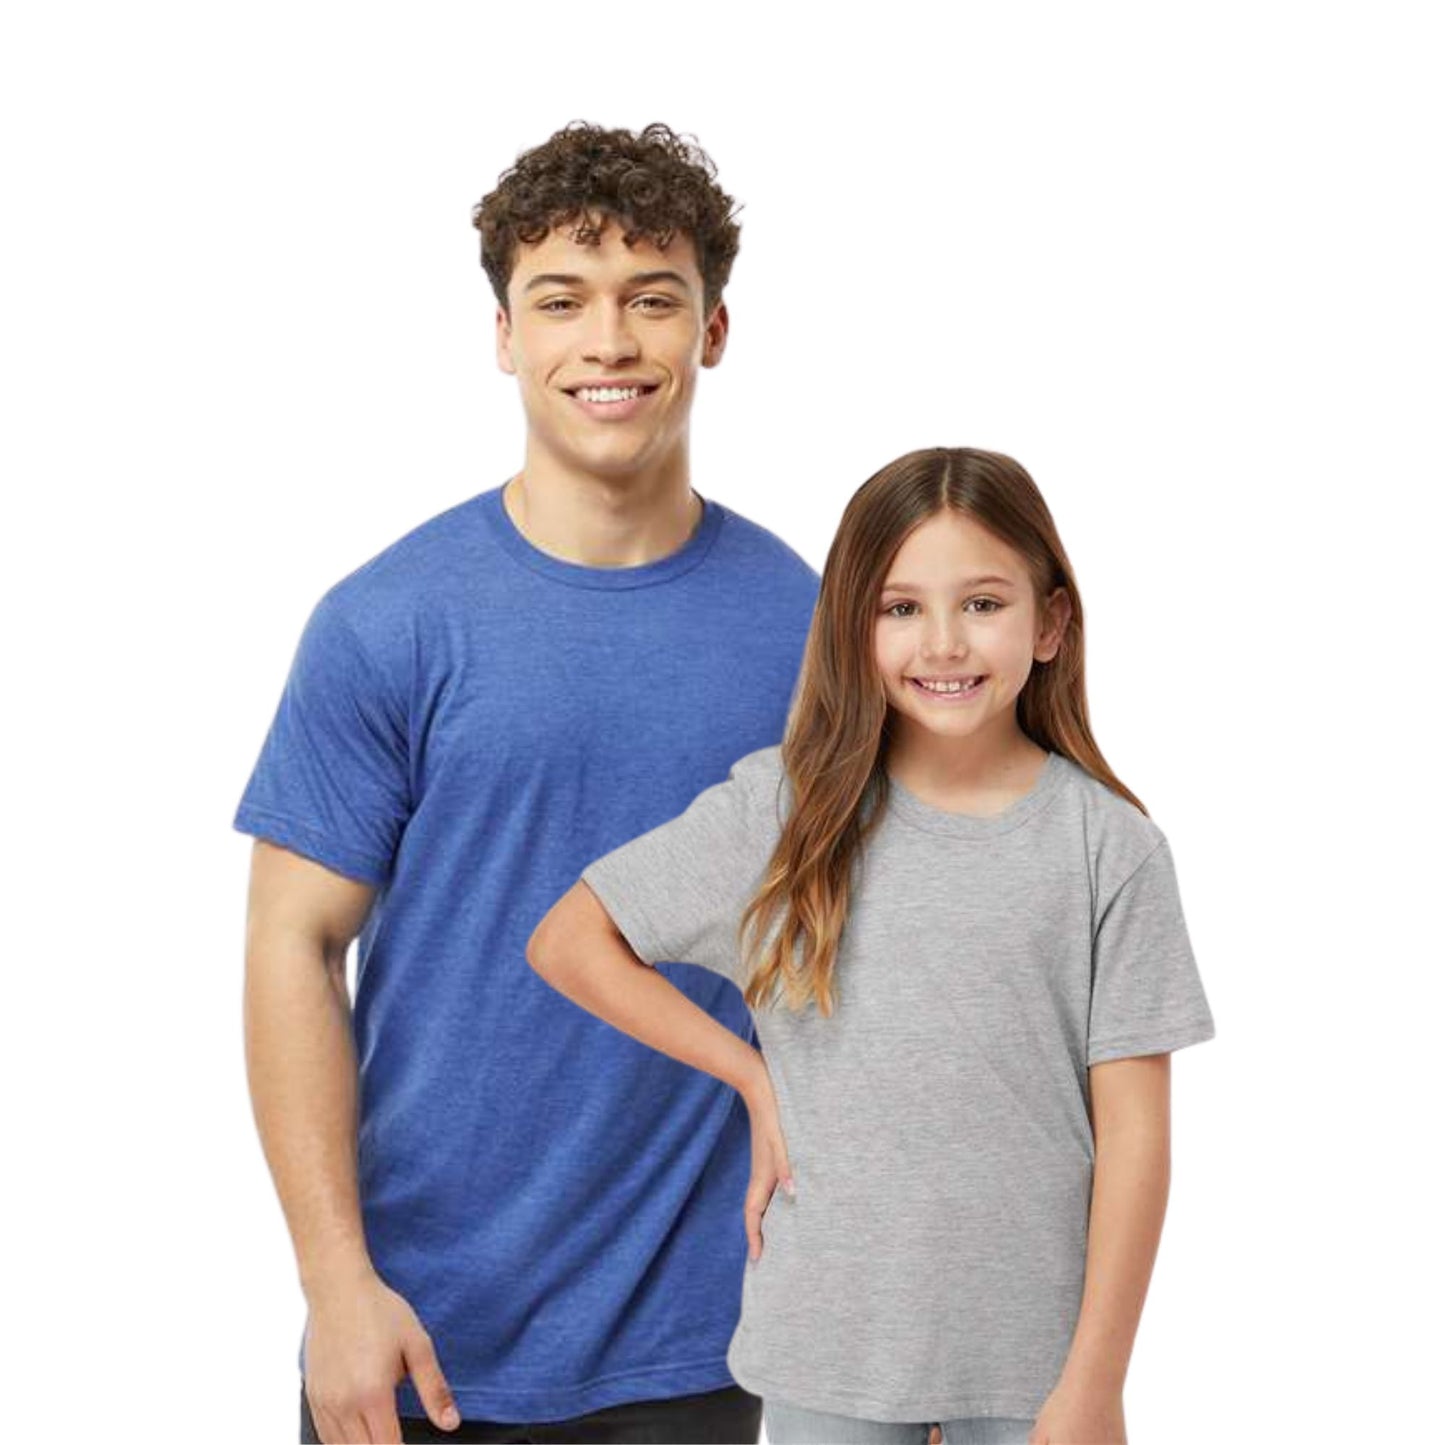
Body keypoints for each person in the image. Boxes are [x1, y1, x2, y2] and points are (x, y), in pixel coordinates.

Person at [234, 121, 821, 1444]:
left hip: (707, 1340)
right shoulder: (388, 622)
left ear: (712, 330)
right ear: (505, 334)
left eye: (651, 300)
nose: (606, 341)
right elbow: (292, 944)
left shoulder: (809, 625)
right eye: (561, 300)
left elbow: (868, 955)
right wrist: (336, 1286)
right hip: (423, 1336)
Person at [529, 447, 1217, 1445]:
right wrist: (750, 1077)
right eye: (899, 608)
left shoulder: (1106, 846)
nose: (942, 641)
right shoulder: (780, 810)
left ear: (1050, 623)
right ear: (854, 627)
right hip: (826, 1352)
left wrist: (1093, 1383)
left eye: (981, 602)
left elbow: (1136, 1140)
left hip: (1034, 1365)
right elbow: (570, 939)